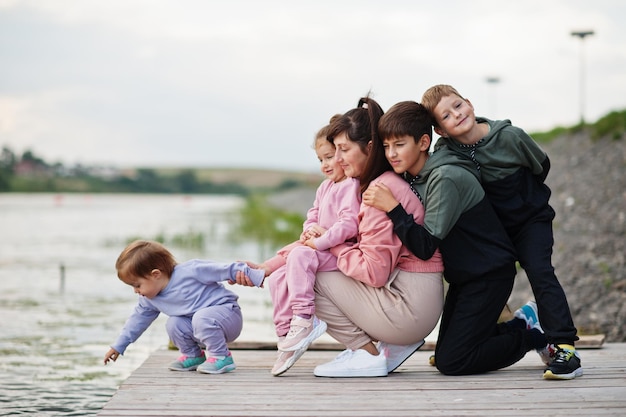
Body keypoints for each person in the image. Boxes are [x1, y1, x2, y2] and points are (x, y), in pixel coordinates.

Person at [364, 100, 549, 376]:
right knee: (446, 355)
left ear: (424, 142)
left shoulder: (444, 177)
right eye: (387, 146)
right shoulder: (416, 176)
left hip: (489, 274)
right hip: (465, 277)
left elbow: (425, 247)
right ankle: (521, 323)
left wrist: (393, 208)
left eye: (400, 144)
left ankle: (534, 337)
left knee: (453, 361)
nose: (392, 154)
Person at [421, 84, 581, 380]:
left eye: (458, 106)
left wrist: (522, 201)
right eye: (446, 115)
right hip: (497, 229)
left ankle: (564, 346)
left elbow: (540, 166)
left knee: (539, 271)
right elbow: (430, 170)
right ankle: (493, 333)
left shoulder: (510, 136)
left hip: (530, 220)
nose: (456, 115)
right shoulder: (447, 150)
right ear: (440, 131)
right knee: (483, 268)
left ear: (469, 103)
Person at [310, 97, 445, 378]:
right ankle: (375, 349)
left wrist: (331, 243)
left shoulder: (378, 193)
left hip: (411, 308)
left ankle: (366, 353)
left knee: (311, 277)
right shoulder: (378, 185)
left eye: (344, 150)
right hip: (414, 297)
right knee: (315, 262)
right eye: (335, 150)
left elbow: (374, 273)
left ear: (369, 149)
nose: (337, 160)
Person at [103, 240, 265, 374]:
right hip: (199, 325)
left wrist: (257, 276)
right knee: (174, 323)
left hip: (227, 316)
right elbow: (136, 322)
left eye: (137, 285)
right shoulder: (149, 299)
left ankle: (222, 357)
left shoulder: (190, 271)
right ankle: (193, 356)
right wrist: (118, 346)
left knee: (202, 317)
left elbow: (226, 269)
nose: (135, 291)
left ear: (155, 274)